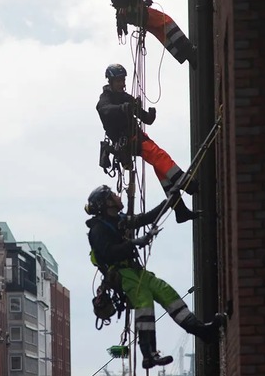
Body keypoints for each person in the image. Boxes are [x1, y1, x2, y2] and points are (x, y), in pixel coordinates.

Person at [85, 185, 225, 369]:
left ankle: (201, 331)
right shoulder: (98, 229)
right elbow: (108, 253)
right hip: (122, 274)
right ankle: (148, 353)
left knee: (166, 292)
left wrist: (168, 201)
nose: (117, 196)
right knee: (144, 303)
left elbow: (145, 218)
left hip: (135, 271)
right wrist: (135, 242)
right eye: (113, 195)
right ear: (107, 203)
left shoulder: (118, 219)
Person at [96, 63, 199, 223]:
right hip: (128, 141)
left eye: (123, 80)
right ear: (110, 81)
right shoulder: (106, 99)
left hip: (136, 137)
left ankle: (180, 210)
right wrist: (124, 108)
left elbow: (143, 117)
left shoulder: (124, 97)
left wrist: (149, 115)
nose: (122, 84)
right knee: (159, 156)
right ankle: (186, 183)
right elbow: (104, 110)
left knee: (161, 169)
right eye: (118, 81)